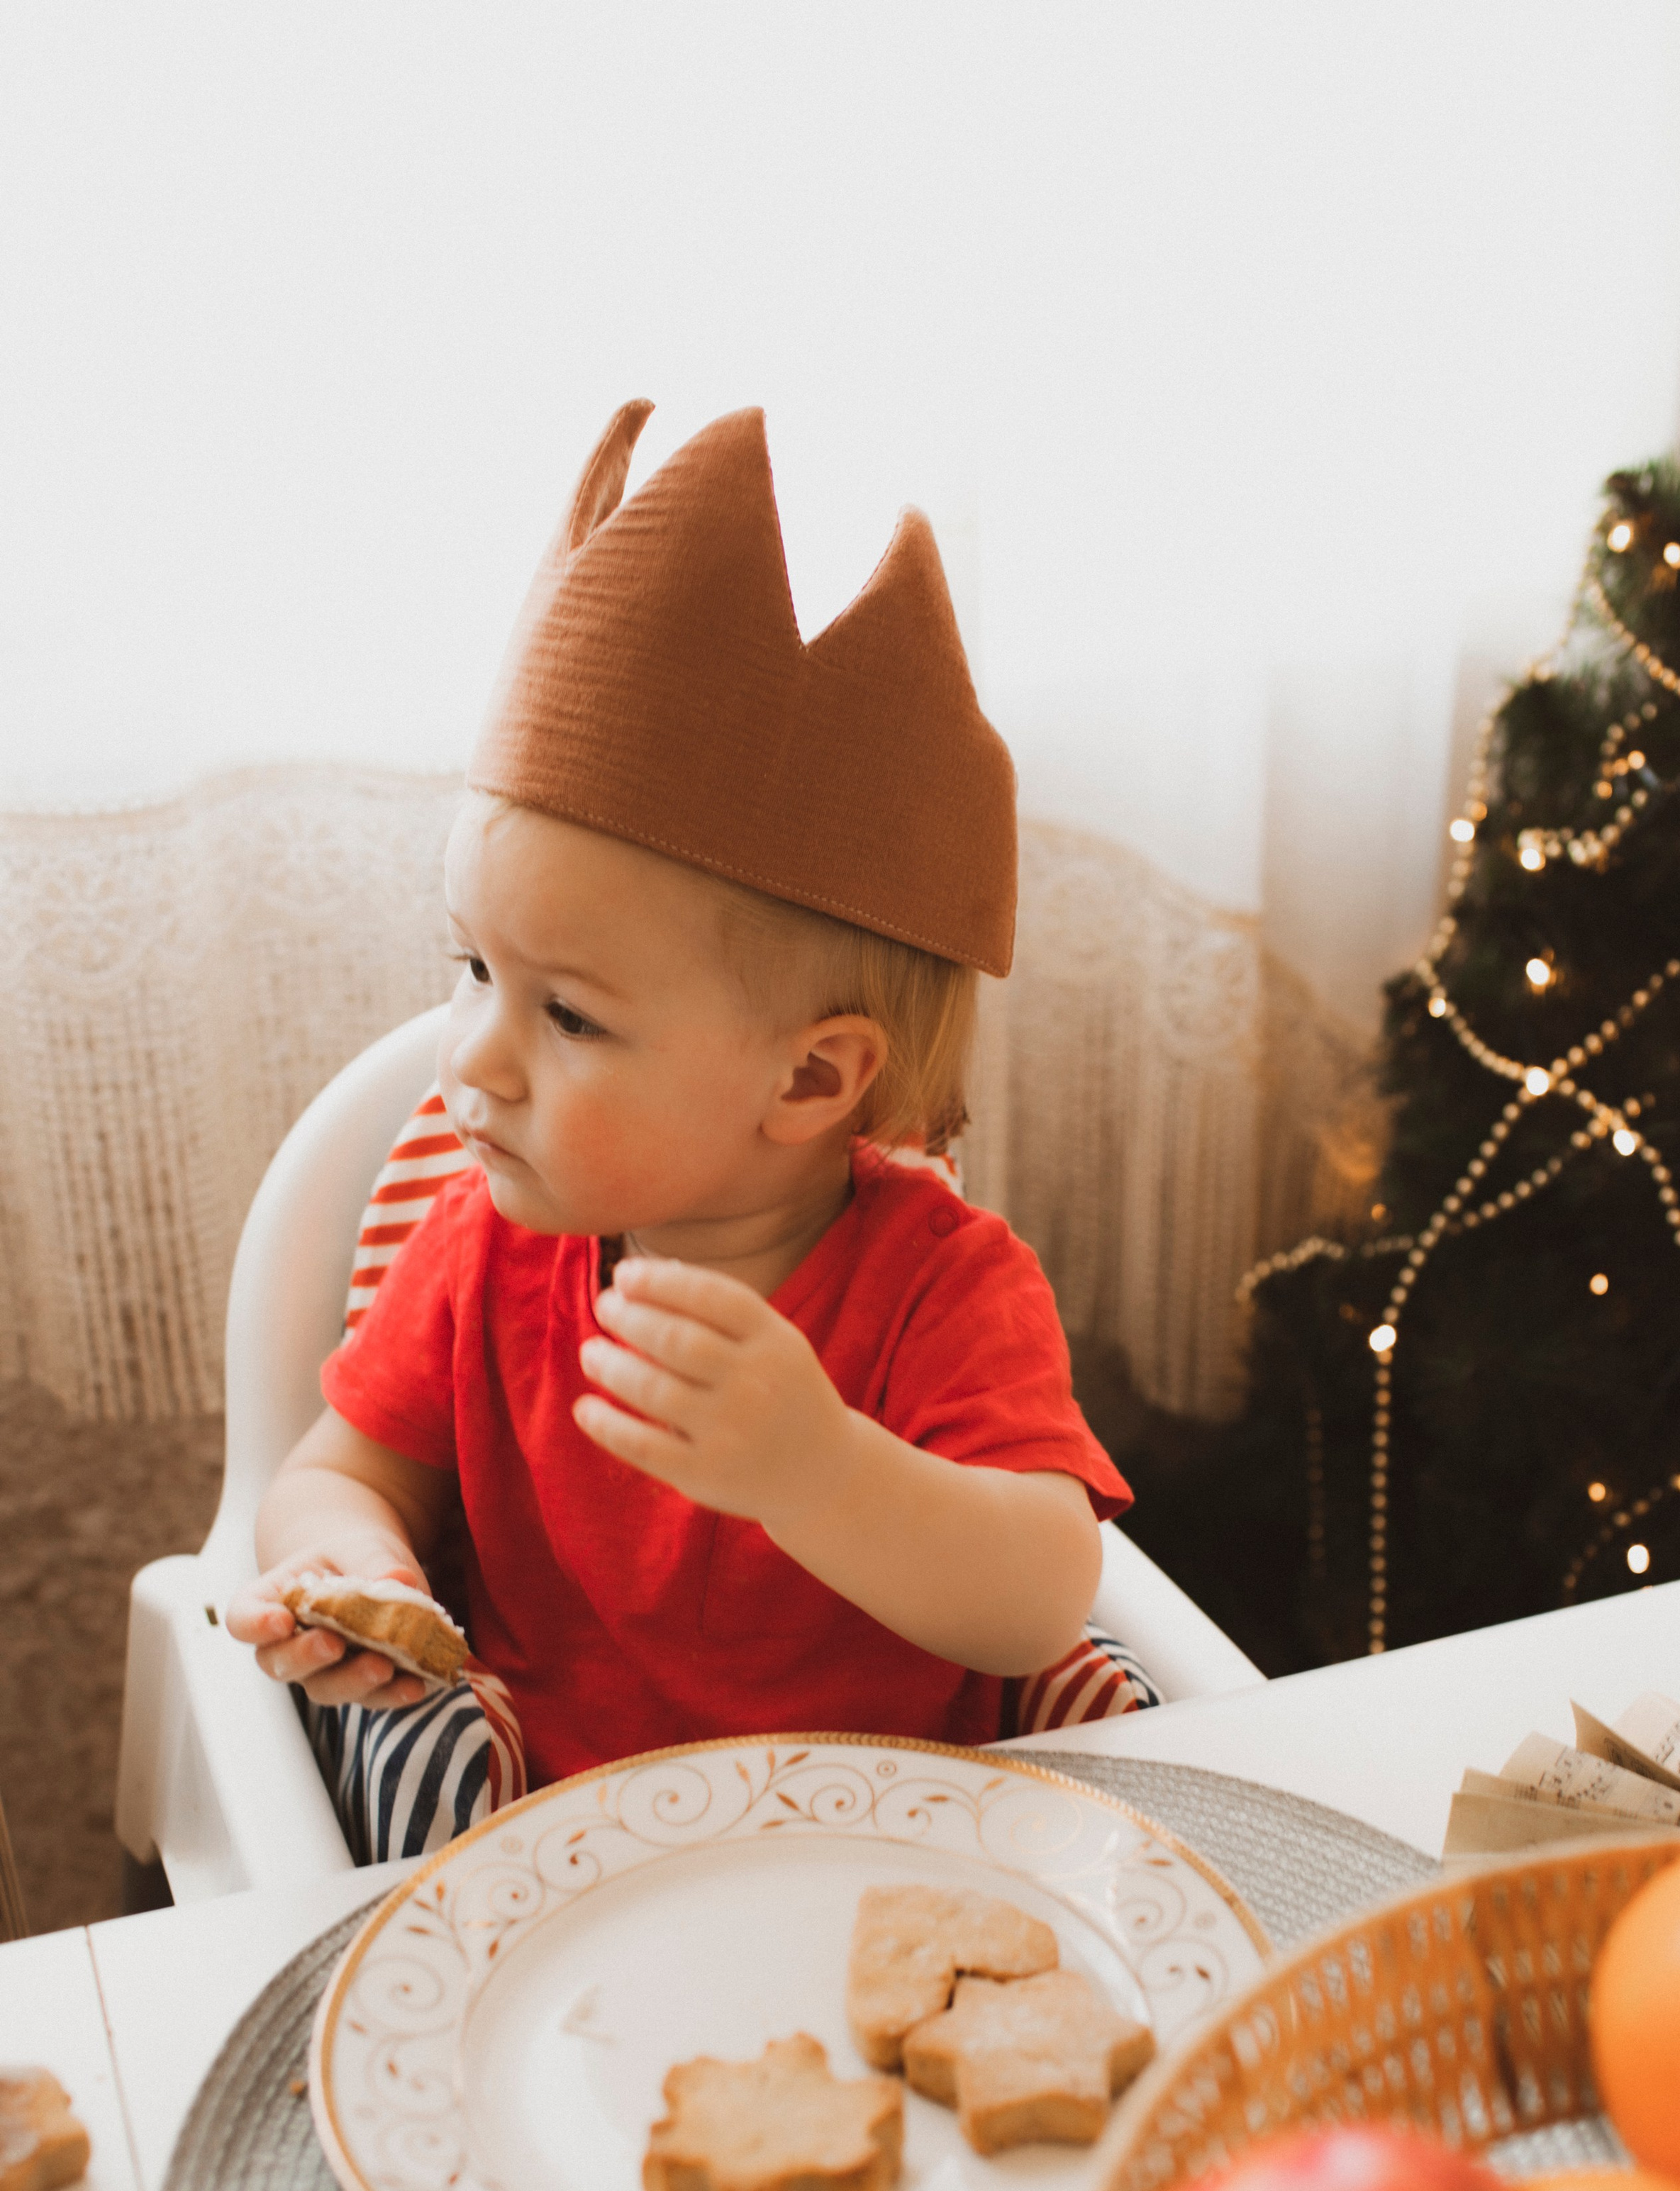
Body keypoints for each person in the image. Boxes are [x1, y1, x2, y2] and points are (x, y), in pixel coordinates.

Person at [226, 398, 1130, 1822]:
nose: (477, 1060)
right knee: (419, 1749)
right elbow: (331, 1474)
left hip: (892, 1841)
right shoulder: (478, 1246)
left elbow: (1040, 1604)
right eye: (473, 971)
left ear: (812, 1081)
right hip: (559, 1858)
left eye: (567, 1014)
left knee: (1120, 1717)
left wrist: (817, 1469)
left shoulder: (941, 1289)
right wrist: (357, 1568)